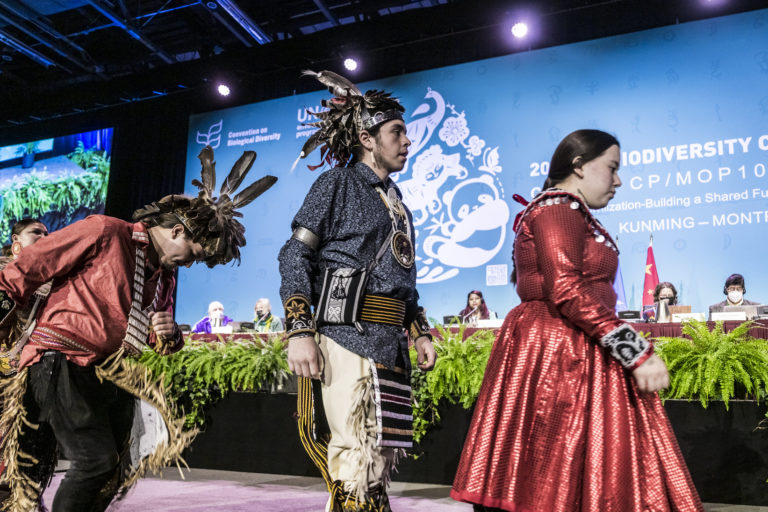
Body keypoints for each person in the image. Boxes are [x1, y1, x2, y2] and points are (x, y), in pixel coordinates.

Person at [0, 146, 276, 512]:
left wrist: (169, 335)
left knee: (110, 469)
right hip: (60, 359)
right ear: (177, 230)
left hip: (108, 373)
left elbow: (152, 339)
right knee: (84, 462)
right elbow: (32, 264)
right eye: (193, 254)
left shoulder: (164, 274)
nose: (191, 265)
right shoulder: (106, 231)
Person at [451, 129, 702, 511]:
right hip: (555, 351)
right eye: (612, 168)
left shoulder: (568, 211)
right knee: (551, 465)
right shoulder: (557, 208)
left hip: (571, 343)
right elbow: (566, 288)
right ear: (580, 166)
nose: (618, 180)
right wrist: (635, 351)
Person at [279, 70, 437, 511]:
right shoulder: (337, 183)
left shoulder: (398, 201)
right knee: (353, 456)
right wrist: (299, 330)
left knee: (378, 458)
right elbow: (293, 257)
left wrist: (419, 331)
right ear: (367, 138)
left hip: (389, 342)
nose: (407, 141)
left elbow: (402, 279)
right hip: (345, 335)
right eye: (397, 132)